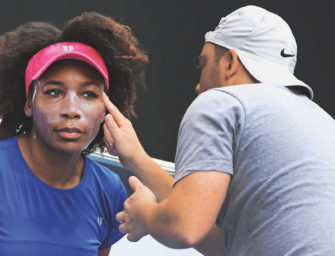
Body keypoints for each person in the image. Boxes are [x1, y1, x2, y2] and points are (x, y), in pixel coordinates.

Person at [103, 5, 335, 256]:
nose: (198, 86)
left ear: (231, 63)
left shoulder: (223, 101)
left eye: (203, 64)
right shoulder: (324, 122)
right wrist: (137, 159)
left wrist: (144, 214)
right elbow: (224, 246)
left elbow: (184, 227)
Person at [0, 12, 148, 256]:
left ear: (106, 109)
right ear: (29, 103)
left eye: (88, 94)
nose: (71, 110)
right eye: (54, 92)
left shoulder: (109, 190)